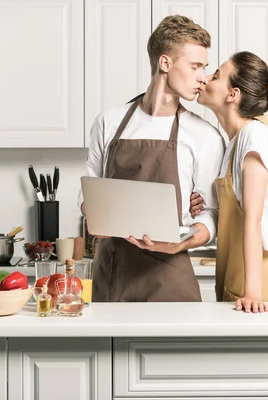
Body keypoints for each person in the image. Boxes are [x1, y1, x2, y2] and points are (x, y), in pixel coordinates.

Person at [78, 15, 225, 302]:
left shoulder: (205, 135)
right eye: (196, 66)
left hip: (169, 276)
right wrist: (96, 213)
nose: (203, 77)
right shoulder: (110, 122)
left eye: (204, 68)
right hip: (112, 273)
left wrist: (182, 242)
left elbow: (211, 215)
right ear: (165, 63)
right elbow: (86, 194)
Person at [192, 51, 268, 313]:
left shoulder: (255, 135)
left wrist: (252, 292)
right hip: (240, 279)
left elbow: (252, 218)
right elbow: (234, 210)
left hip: (261, 288)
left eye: (216, 76)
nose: (205, 79)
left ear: (233, 94)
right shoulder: (234, 141)